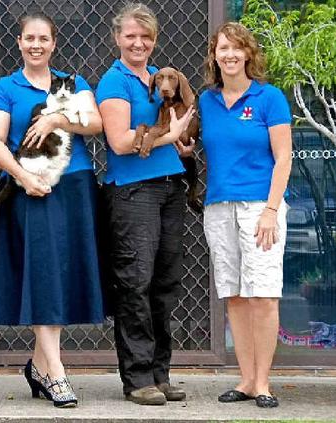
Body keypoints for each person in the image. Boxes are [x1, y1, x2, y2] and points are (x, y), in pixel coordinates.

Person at [0, 12, 105, 408]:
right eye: (29, 38)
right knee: (43, 277)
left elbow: (94, 122)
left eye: (43, 39)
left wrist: (55, 117)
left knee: (63, 278)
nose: (36, 45)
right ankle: (56, 373)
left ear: (53, 44)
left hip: (74, 188)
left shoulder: (75, 82)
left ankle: (38, 366)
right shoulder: (5, 88)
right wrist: (21, 177)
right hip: (31, 187)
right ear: (18, 42)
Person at [96, 2, 195, 406]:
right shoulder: (113, 81)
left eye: (146, 36)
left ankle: (161, 373)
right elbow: (120, 142)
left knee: (164, 283)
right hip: (133, 190)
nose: (138, 43)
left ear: (154, 40)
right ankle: (137, 379)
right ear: (118, 38)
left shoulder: (159, 78)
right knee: (135, 283)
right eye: (130, 36)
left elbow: (180, 131)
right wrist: (172, 136)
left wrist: (183, 143)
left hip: (171, 187)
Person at [199, 22, 292, 408]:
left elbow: (283, 157)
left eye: (237, 48)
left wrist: (271, 210)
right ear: (215, 55)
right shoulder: (206, 100)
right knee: (235, 296)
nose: (230, 55)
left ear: (248, 54)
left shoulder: (269, 98)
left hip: (260, 207)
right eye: (223, 48)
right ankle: (247, 379)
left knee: (263, 296)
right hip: (219, 207)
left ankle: (265, 383)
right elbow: (195, 145)